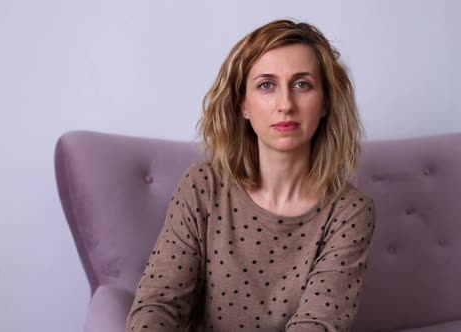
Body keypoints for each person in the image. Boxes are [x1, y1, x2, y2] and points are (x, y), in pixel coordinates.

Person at [126, 19, 376, 332]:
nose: (285, 105)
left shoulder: (350, 210)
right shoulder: (203, 185)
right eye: (266, 85)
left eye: (302, 84)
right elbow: (159, 302)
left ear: (325, 102)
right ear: (243, 104)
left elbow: (318, 325)